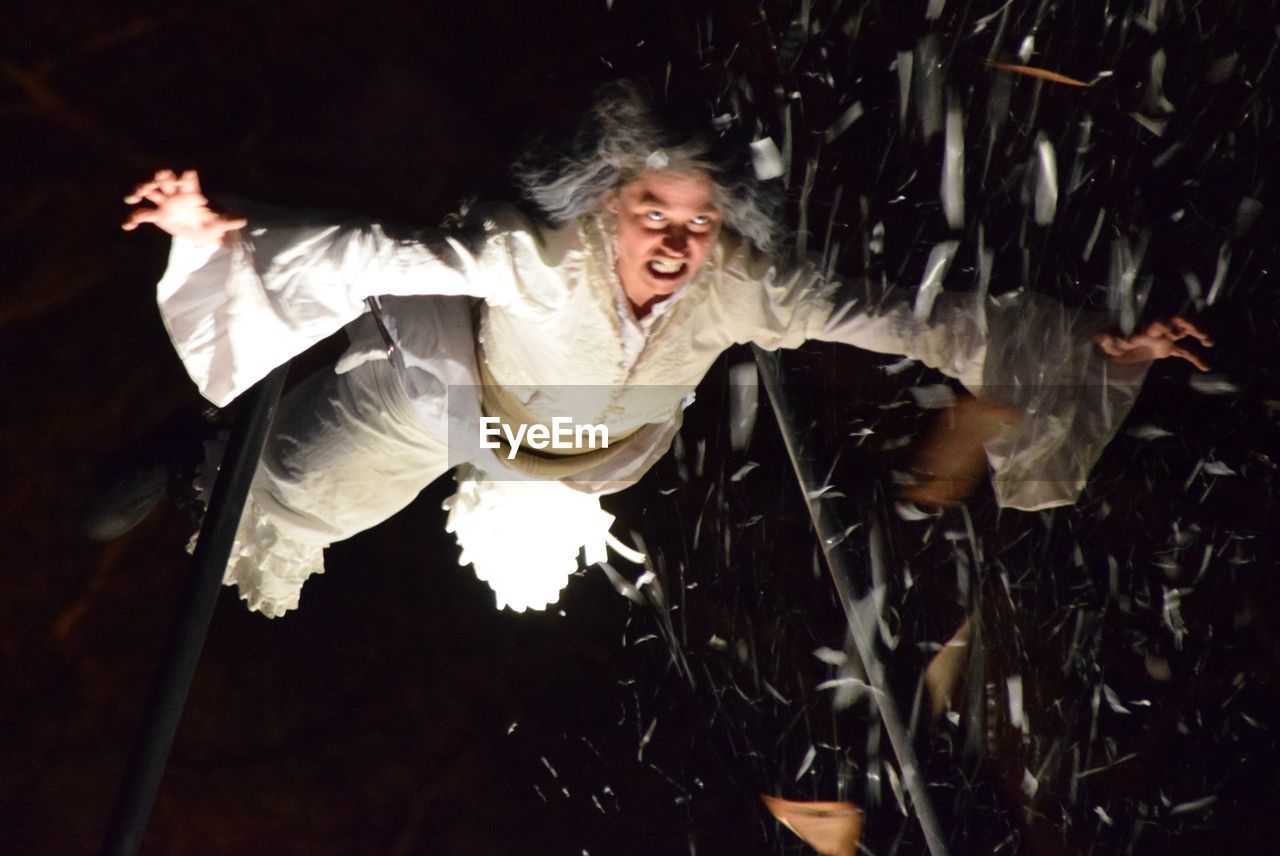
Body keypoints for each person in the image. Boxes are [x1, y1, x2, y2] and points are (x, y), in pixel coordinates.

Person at [121, 83, 1209, 618]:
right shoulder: (532, 255)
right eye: (652, 213)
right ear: (606, 206)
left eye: (695, 222)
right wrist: (215, 233)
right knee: (296, 502)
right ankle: (196, 460)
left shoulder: (741, 282)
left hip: (593, 458)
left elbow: (910, 317)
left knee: (532, 570)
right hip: (455, 398)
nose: (675, 242)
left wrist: (1092, 345)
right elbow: (383, 249)